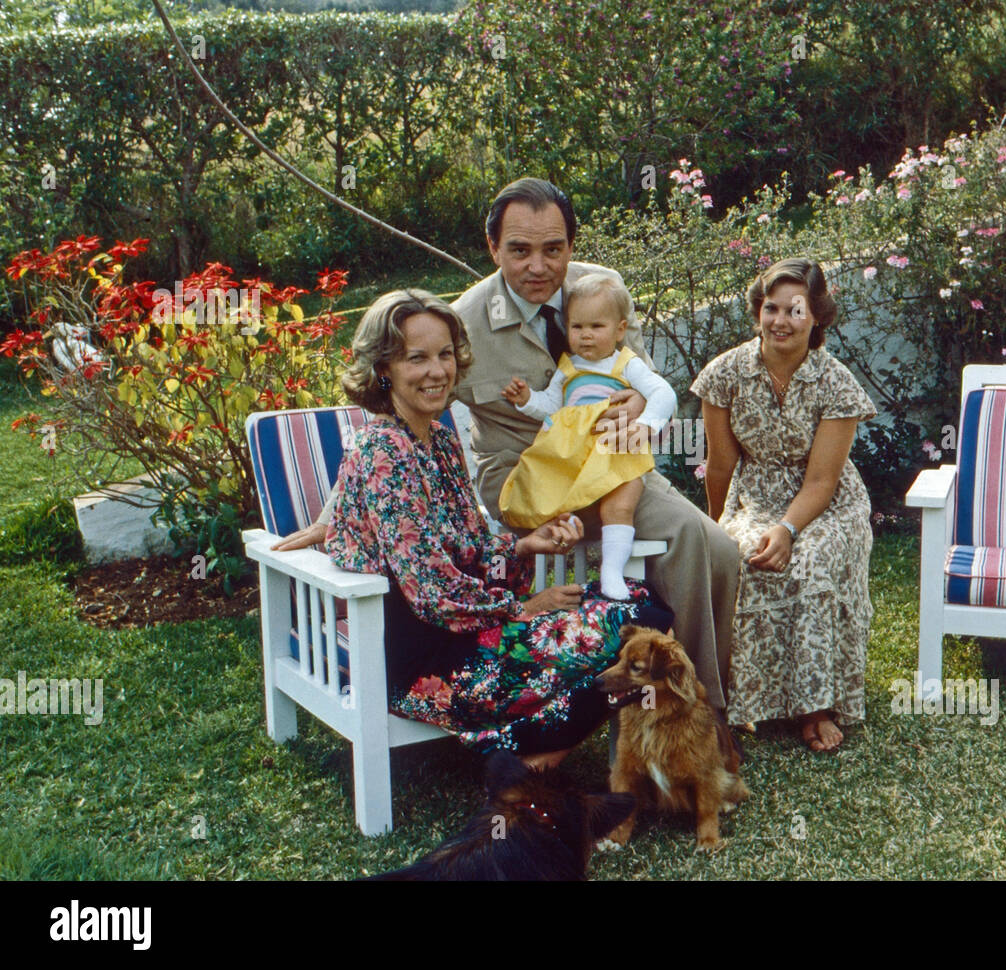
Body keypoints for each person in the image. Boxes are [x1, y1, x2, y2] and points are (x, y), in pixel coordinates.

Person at [275, 178, 739, 710]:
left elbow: (639, 378)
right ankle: (695, 716)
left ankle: (693, 701)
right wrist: (334, 512)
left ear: (571, 245)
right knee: (679, 541)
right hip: (526, 476)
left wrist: (634, 405)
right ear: (493, 247)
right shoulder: (463, 320)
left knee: (719, 551)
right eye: (519, 250)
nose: (538, 267)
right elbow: (385, 420)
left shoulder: (601, 289)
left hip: (607, 461)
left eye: (553, 249)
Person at [324, 289, 673, 768]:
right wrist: (521, 607)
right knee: (630, 628)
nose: (437, 371)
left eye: (445, 355)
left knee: (642, 604)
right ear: (383, 368)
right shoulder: (383, 451)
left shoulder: (439, 438)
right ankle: (523, 760)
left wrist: (525, 545)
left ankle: (534, 753)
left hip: (475, 629)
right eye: (416, 358)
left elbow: (468, 546)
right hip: (430, 660)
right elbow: (431, 590)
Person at [691, 258, 877, 753]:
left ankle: (814, 706)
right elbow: (720, 467)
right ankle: (747, 701)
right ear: (757, 312)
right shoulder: (724, 374)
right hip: (755, 495)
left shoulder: (835, 382)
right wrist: (716, 528)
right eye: (770, 308)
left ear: (816, 316)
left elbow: (821, 480)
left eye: (795, 310)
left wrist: (788, 530)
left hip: (827, 504)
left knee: (809, 563)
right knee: (739, 557)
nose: (780, 321)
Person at [499, 272, 677, 600]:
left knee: (619, 506)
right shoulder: (568, 369)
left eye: (597, 327)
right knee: (546, 492)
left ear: (620, 329)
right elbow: (551, 407)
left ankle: (611, 571)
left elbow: (663, 394)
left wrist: (645, 425)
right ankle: (526, 575)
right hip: (573, 458)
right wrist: (526, 401)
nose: (586, 336)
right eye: (578, 327)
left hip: (615, 450)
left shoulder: (625, 365)